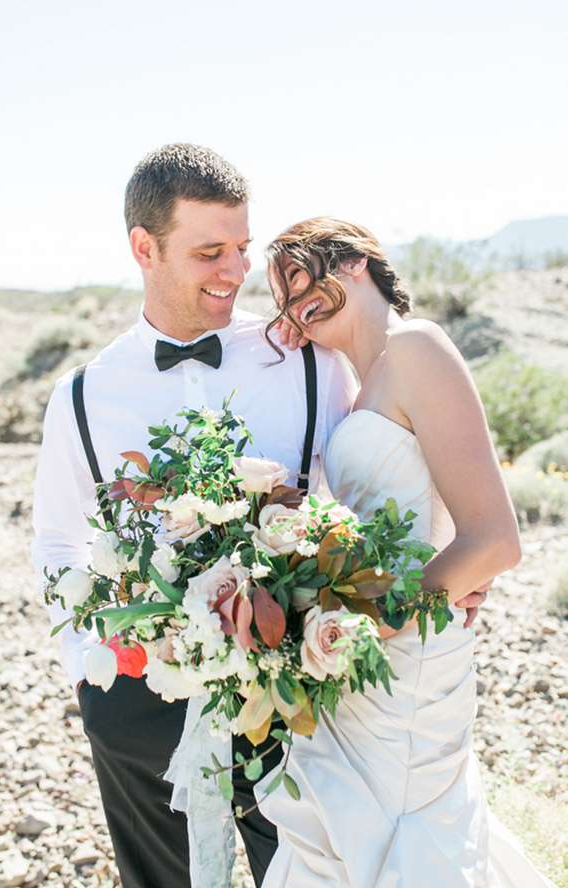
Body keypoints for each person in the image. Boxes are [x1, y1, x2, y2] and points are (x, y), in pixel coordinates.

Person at [31, 148, 486, 888]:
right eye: (209, 251)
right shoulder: (82, 395)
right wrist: (90, 667)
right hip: (142, 697)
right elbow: (57, 538)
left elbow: (387, 474)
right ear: (144, 248)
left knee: (307, 872)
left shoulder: (309, 359)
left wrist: (448, 567)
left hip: (293, 688)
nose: (233, 270)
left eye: (241, 248)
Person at [256, 217, 556, 887]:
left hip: (408, 654)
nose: (290, 307)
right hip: (358, 652)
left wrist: (383, 618)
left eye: (297, 276)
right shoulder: (353, 388)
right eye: (279, 299)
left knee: (409, 831)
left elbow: (496, 539)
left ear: (355, 262)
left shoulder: (416, 347)